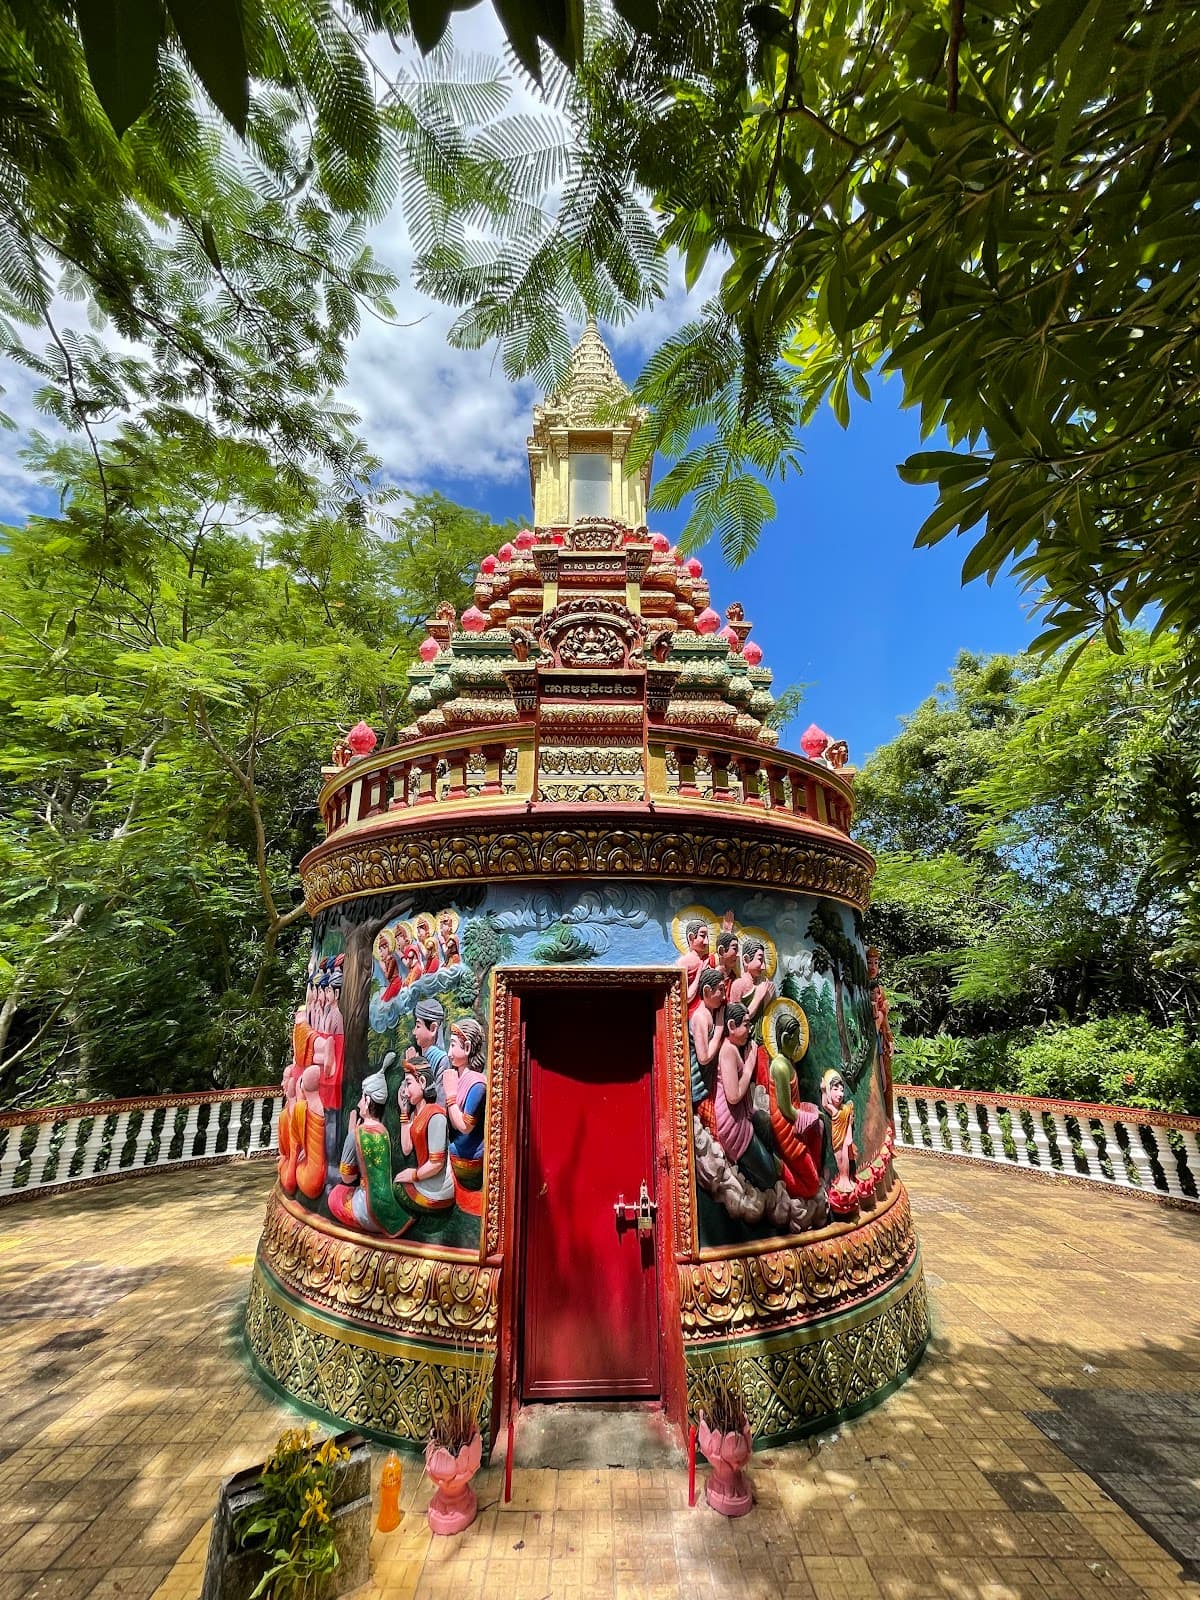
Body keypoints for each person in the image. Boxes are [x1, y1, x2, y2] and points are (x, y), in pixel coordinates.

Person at [328, 1071, 414, 1236]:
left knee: (336, 1196)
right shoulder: (384, 1132)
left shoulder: (356, 1134)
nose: (359, 1103)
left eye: (362, 1098)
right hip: (388, 1208)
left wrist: (350, 1135)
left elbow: (347, 1177)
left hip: (367, 1210)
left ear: (367, 1101)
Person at [714, 1002, 777, 1189]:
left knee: (766, 1122)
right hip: (732, 1123)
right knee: (770, 1177)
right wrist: (749, 1066)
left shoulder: (734, 1048)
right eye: (746, 1025)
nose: (749, 1030)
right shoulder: (727, 1051)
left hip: (743, 1114)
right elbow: (733, 1096)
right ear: (732, 1026)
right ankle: (749, 1172)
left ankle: (765, 1160)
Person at [767, 1011, 824, 1199]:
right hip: (785, 1124)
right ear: (785, 1038)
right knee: (812, 1187)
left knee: (819, 1129)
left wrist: (812, 1114)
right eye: (796, 1038)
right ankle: (778, 1168)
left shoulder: (788, 1062)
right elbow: (786, 1109)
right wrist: (807, 1116)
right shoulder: (780, 1066)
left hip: (794, 1117)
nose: (799, 1044)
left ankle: (810, 1173)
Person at [394, 1059, 456, 1215]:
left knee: (398, 1189)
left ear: (422, 1081)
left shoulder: (435, 1115)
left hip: (438, 1186)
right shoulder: (416, 1113)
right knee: (397, 1183)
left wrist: (414, 1175)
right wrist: (404, 1113)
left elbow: (436, 1164)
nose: (406, 1092)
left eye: (408, 1084)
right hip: (425, 1177)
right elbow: (407, 1148)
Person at [443, 1018, 487, 1210]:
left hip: (466, 1158)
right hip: (453, 1147)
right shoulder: (457, 1076)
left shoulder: (477, 1084)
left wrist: (451, 1095)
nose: (449, 1052)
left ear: (467, 1047)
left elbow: (465, 1126)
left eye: (453, 1045)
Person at [689, 966, 727, 1115]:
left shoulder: (710, 1013)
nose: (723, 996)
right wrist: (718, 1030)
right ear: (706, 991)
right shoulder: (700, 1017)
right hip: (698, 1088)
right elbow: (703, 1058)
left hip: (708, 1084)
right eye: (720, 990)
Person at [821, 1069, 857, 1200]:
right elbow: (824, 1104)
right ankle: (842, 1177)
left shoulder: (845, 1109)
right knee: (839, 1159)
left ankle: (846, 1179)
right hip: (836, 1139)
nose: (840, 1094)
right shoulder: (833, 1110)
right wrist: (824, 1090)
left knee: (846, 1157)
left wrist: (849, 1137)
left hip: (845, 1138)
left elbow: (848, 1124)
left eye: (842, 1090)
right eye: (836, 1090)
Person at [293, 1063, 327, 1201]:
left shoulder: (302, 1108)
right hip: (321, 1171)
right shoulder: (321, 1107)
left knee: (293, 1169)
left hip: (310, 1178)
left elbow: (297, 1140)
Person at [406, 998, 448, 1104]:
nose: (414, 1032)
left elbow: (440, 1103)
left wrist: (413, 1070)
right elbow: (406, 1095)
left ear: (433, 1029)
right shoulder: (420, 1058)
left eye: (418, 1026)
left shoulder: (441, 1060)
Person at [729, 936, 776, 1029]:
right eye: (760, 960)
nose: (763, 967)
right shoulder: (739, 985)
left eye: (764, 962)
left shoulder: (763, 984)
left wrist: (766, 1001)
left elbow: (765, 1019)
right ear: (746, 960)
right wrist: (758, 998)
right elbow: (736, 1021)